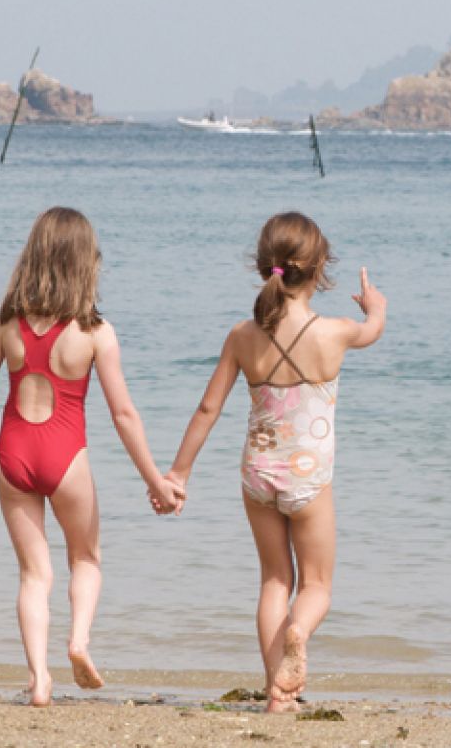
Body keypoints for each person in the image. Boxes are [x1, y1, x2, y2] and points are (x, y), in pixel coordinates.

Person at [0, 206, 184, 706]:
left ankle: (39, 680)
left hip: (12, 452)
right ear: (86, 262)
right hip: (65, 455)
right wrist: (155, 481)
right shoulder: (96, 332)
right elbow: (124, 415)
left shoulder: (6, 325)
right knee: (86, 558)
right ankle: (78, 641)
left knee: (35, 573)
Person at [161, 211, 387, 712]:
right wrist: (376, 306)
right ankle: (299, 634)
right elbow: (374, 330)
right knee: (317, 585)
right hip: (310, 480)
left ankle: (277, 694)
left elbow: (207, 408)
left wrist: (177, 472)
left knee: (273, 581)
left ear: (266, 267)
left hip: (257, 476)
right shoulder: (336, 332)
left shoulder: (243, 335)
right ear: (320, 267)